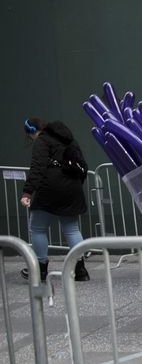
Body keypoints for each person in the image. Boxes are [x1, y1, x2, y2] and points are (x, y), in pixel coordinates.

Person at [19, 118, 90, 283]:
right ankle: (80, 270)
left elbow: (38, 166)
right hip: (72, 187)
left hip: (49, 188)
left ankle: (40, 269)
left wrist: (27, 193)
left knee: (37, 228)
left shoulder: (42, 140)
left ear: (32, 132)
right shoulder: (69, 139)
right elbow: (82, 165)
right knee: (72, 229)